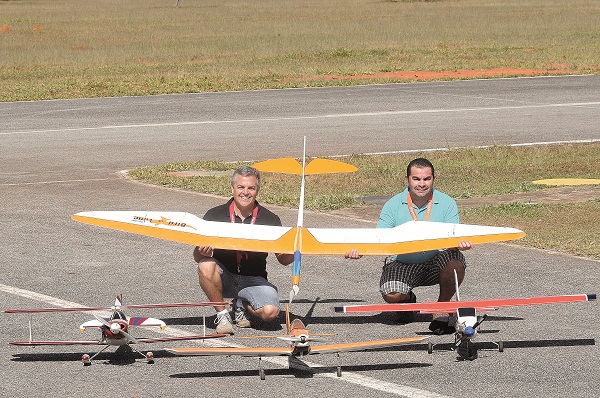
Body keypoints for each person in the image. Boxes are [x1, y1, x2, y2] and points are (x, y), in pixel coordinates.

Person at [345, 158, 472, 335]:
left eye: (426, 179)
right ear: (407, 180)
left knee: (456, 261)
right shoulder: (393, 205)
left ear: (433, 179)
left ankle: (441, 306)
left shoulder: (447, 203)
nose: (422, 184)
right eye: (416, 179)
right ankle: (407, 300)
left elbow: (453, 238)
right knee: (392, 295)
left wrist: (460, 245)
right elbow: (379, 238)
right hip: (403, 262)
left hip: (435, 260)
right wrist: (359, 251)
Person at [193, 166, 294, 334]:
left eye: (251, 188)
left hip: (254, 279)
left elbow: (283, 259)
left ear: (257, 190)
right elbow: (197, 256)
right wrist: (201, 252)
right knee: (205, 264)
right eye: (241, 187)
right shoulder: (214, 215)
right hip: (223, 277)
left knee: (270, 313)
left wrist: (299, 249)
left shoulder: (270, 219)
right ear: (232, 188)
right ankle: (223, 314)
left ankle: (241, 304)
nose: (245, 192)